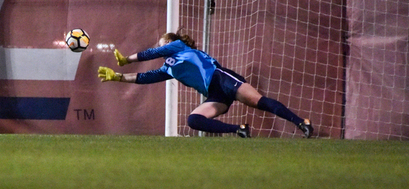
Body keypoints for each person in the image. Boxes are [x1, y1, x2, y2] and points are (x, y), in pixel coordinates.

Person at [98, 31, 313, 138]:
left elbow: (153, 53)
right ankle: (239, 130)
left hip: (222, 79)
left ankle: (301, 122)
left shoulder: (179, 47)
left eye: (164, 44)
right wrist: (118, 77)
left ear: (171, 43)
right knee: (194, 120)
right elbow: (145, 78)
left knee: (260, 102)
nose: (162, 48)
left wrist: (127, 59)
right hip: (215, 94)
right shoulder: (169, 69)